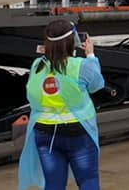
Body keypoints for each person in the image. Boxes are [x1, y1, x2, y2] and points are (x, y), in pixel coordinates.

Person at [18, 19, 105, 190]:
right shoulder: (80, 66)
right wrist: (91, 56)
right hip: (78, 131)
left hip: (45, 132)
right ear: (72, 41)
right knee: (88, 180)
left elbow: (32, 95)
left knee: (53, 183)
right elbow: (97, 85)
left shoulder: (38, 65)